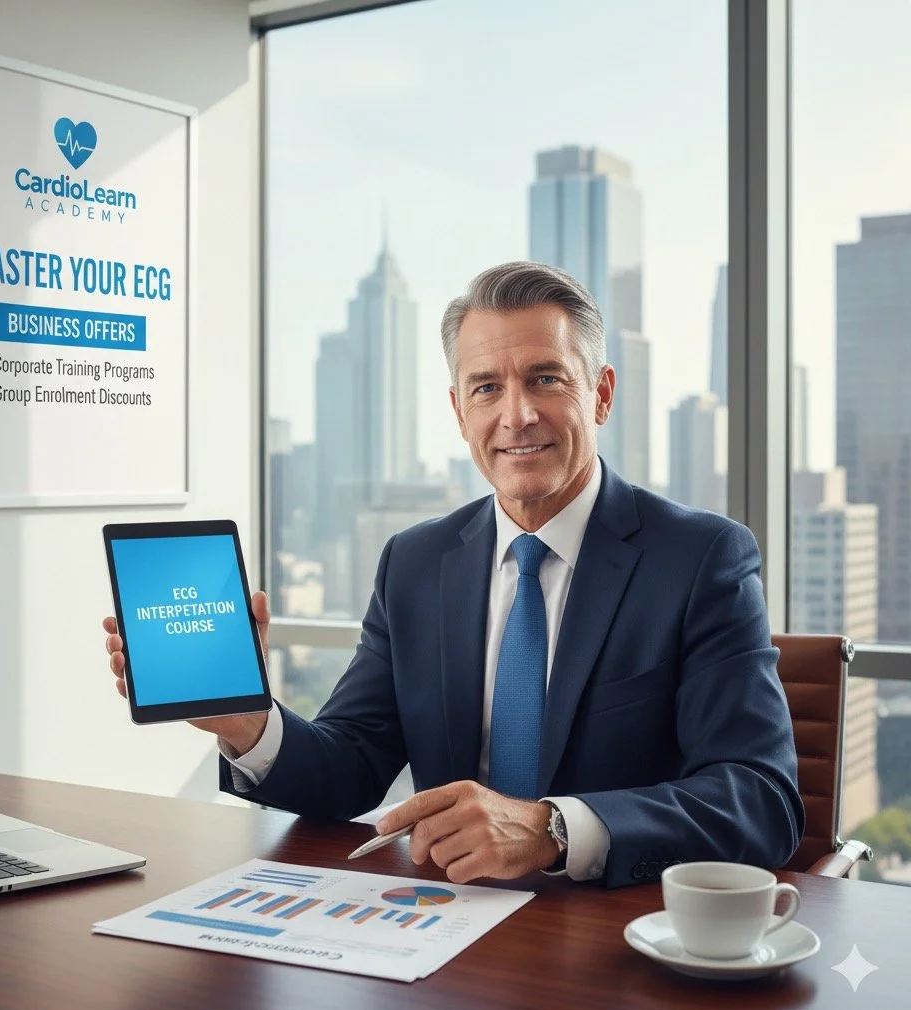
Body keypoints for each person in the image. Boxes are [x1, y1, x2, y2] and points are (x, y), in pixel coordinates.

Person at [104, 261, 803, 889]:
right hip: (447, 929)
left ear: (602, 394)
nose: (516, 415)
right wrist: (250, 722)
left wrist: (552, 829)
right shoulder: (415, 561)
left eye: (546, 379)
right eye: (487, 388)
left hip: (615, 937)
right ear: (458, 411)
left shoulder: (700, 557)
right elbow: (353, 767)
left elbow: (759, 799)